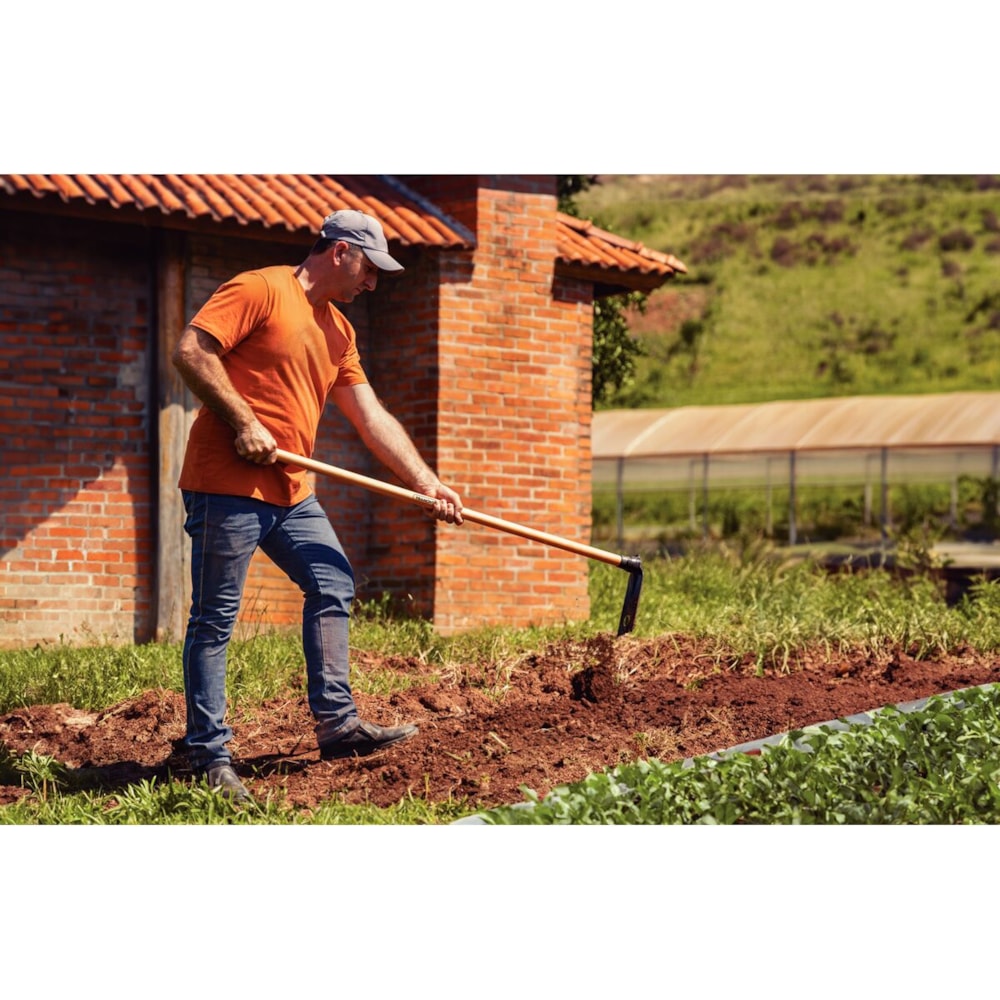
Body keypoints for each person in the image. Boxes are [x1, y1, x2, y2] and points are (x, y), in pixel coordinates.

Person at [172, 209, 464, 802]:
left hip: (293, 489)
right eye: (369, 268)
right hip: (227, 482)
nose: (372, 282)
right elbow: (191, 351)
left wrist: (427, 482)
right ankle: (207, 753)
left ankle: (338, 725)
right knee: (216, 617)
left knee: (332, 581)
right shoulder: (260, 289)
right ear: (338, 252)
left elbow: (370, 416)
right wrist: (245, 421)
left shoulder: (340, 332)